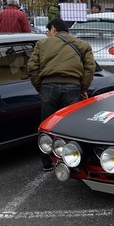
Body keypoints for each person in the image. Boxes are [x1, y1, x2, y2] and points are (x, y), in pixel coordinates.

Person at [27, 18, 95, 172]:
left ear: (53, 29)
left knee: (47, 125)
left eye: (48, 31)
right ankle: (72, 160)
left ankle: (47, 162)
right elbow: (90, 69)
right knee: (71, 126)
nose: (48, 34)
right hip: (73, 87)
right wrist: (83, 88)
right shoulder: (83, 45)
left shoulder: (42, 44)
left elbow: (32, 67)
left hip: (48, 86)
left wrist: (40, 86)